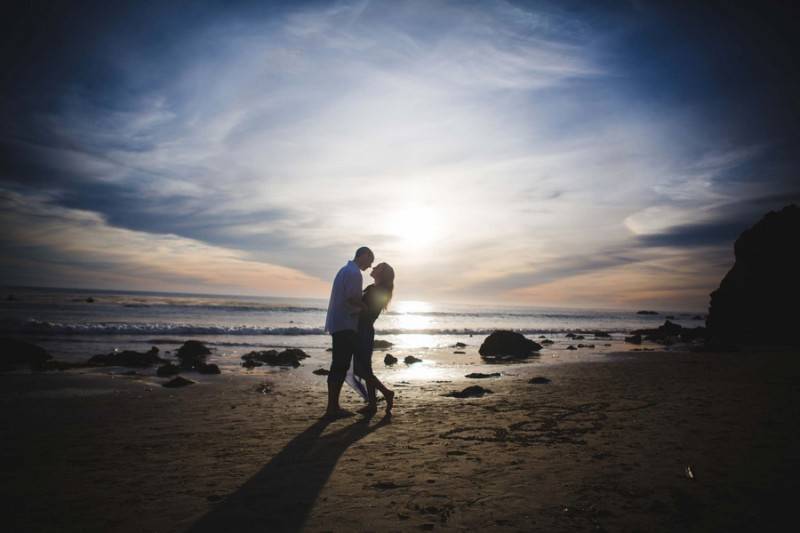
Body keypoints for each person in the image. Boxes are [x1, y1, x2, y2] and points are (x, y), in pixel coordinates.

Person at [323, 246, 374, 418]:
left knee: (339, 364)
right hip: (345, 324)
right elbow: (352, 298)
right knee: (340, 365)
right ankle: (332, 408)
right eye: (370, 260)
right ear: (363, 255)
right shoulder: (354, 273)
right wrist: (365, 308)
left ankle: (333, 406)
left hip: (339, 323)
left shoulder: (344, 270)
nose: (370, 266)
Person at [353, 262, 396, 415]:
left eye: (377, 267)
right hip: (363, 329)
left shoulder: (378, 290)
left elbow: (369, 312)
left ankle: (386, 393)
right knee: (366, 369)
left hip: (363, 330)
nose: (373, 268)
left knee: (359, 369)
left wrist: (354, 304)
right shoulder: (375, 288)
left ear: (382, 274)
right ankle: (372, 404)